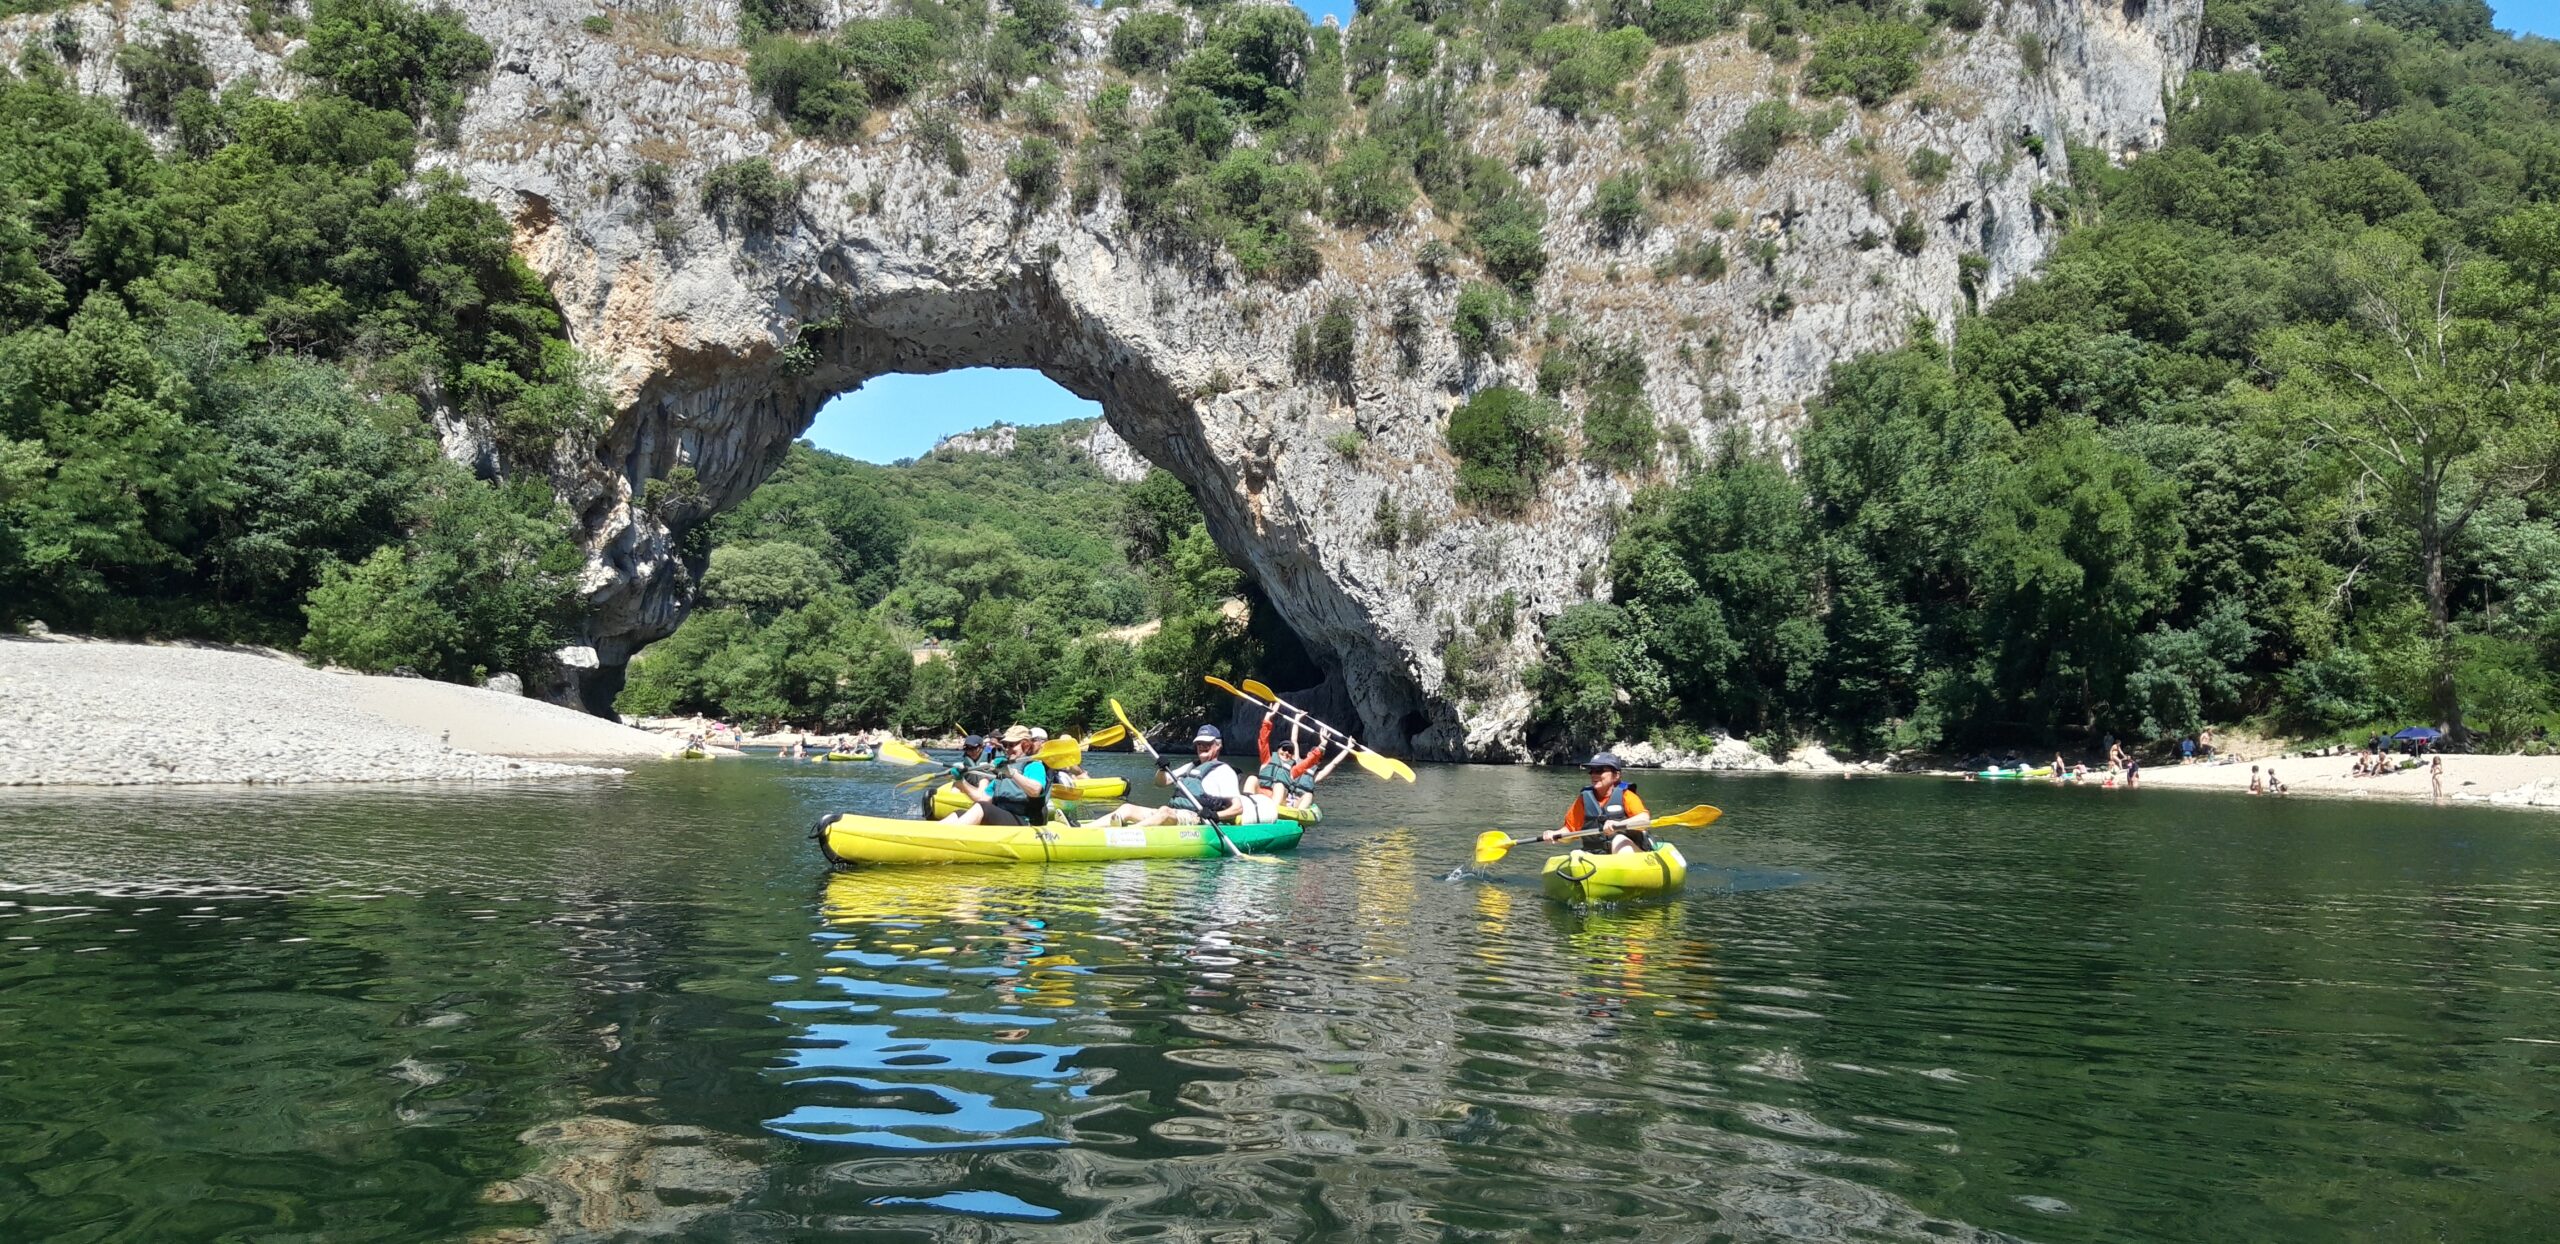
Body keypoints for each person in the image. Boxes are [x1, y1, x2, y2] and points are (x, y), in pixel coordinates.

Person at [1099, 725, 1253, 827]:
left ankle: (1123, 835)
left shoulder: (1224, 771)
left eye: (1207, 743)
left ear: (1218, 745)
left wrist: (1215, 815)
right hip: (1175, 814)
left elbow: (1238, 808)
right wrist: (1161, 768)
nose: (1202, 746)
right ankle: (1081, 829)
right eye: (1199, 743)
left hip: (1197, 819)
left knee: (1164, 811)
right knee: (1127, 808)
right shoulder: (1191, 766)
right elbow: (1161, 782)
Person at [1540, 753, 1653, 855]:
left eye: (1599, 770)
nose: (1594, 775)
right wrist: (1555, 834)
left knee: (1619, 841)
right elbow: (1570, 832)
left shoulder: (1627, 796)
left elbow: (1644, 820)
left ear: (1616, 776)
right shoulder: (1584, 799)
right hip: (1596, 853)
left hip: (1629, 849)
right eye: (1592, 771)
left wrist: (1618, 824)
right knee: (1576, 853)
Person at [945, 725, 1050, 827]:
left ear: (1026, 745)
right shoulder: (1003, 770)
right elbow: (983, 799)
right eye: (1005, 745)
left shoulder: (1034, 766)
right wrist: (961, 782)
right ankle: (934, 835)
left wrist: (1012, 773)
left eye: (1012, 745)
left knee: (983, 808)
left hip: (1025, 821)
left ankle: (952, 836)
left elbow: (1035, 790)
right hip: (1003, 818)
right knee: (958, 814)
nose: (1007, 749)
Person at [921, 734, 992, 819]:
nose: (971, 752)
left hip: (984, 790)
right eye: (967, 749)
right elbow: (950, 773)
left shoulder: (989, 759)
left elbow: (993, 750)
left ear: (981, 748)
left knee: (984, 779)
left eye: (974, 748)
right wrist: (951, 774)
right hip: (969, 787)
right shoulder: (963, 762)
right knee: (955, 785)